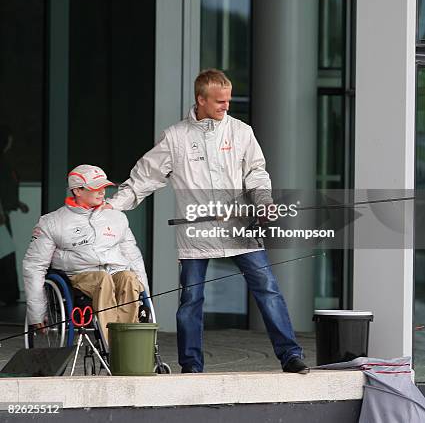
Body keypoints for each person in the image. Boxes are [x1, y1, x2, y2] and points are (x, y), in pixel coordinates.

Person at [105, 69, 308, 374]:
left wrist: (263, 201)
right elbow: (142, 179)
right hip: (195, 236)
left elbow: (256, 173)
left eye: (227, 100)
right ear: (200, 99)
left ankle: (291, 355)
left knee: (268, 290)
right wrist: (109, 208)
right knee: (191, 301)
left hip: (242, 231)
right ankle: (191, 367)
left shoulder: (242, 131)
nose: (226, 106)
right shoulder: (175, 138)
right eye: (219, 101)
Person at [23, 164, 149, 344]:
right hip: (78, 276)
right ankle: (113, 345)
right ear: (77, 190)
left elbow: (133, 257)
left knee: (129, 277)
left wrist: (147, 297)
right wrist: (36, 312)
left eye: (104, 187)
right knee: (102, 280)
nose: (102, 192)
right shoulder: (51, 222)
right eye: (95, 188)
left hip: (115, 273)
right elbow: (34, 266)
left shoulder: (117, 217)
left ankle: (129, 345)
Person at [0, 125, 29, 304]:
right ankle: (7, 294)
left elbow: (6, 189)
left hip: (4, 212)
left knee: (6, 252)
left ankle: (8, 294)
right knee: (5, 254)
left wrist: (17, 203)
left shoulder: (4, 160)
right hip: (1, 216)